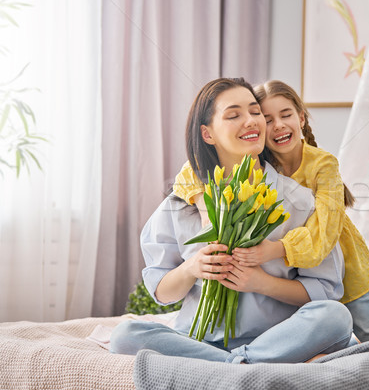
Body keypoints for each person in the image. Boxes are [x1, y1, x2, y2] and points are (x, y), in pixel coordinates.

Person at [110, 78, 353, 364]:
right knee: (125, 334)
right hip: (200, 340)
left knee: (336, 317)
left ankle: (233, 364)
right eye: (234, 115)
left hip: (278, 339)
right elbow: (162, 292)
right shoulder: (181, 204)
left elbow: (324, 291)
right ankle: (242, 365)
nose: (251, 121)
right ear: (207, 134)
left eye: (254, 112)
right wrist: (192, 267)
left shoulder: (299, 201)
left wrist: (260, 282)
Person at [174, 79, 369, 342]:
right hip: (306, 278)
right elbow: (192, 169)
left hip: (347, 267)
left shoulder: (323, 164)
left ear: (301, 118)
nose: (277, 125)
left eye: (286, 114)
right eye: (266, 119)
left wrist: (274, 249)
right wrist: (204, 211)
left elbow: (323, 234)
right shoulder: (260, 159)